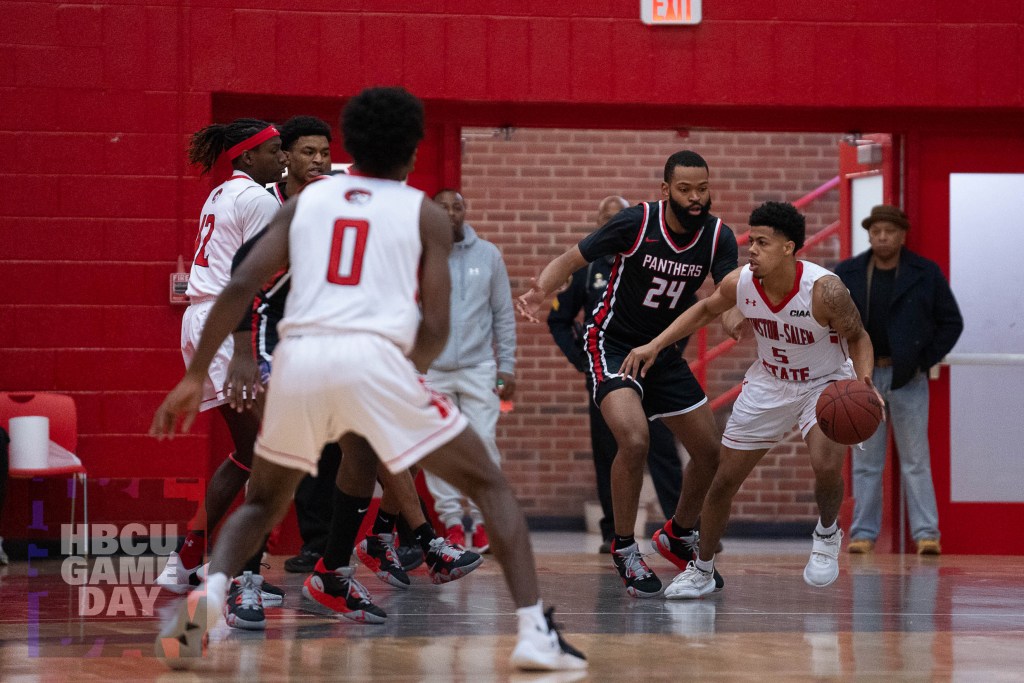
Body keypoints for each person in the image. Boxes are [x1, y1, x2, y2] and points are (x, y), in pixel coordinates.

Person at [150, 86, 586, 672]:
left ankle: (206, 611)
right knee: (490, 486)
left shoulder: (305, 203)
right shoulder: (424, 212)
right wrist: (410, 377)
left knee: (263, 502)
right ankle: (534, 633)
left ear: (347, 147)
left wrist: (196, 372)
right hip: (374, 360)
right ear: (412, 150)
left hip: (302, 361)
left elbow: (238, 285)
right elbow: (435, 324)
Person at [621, 201, 882, 598]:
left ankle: (827, 533)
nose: (752, 249)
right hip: (769, 384)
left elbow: (859, 336)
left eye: (763, 242)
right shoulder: (740, 282)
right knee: (723, 481)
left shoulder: (825, 290)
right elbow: (706, 310)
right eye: (751, 241)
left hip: (824, 384)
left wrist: (864, 381)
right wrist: (654, 345)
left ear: (789, 247)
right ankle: (702, 568)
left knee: (825, 465)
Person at [517, 151, 740, 598]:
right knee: (634, 439)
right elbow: (570, 258)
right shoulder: (636, 222)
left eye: (703, 189)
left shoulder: (718, 236)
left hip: (663, 353)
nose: (696, 199)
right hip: (613, 345)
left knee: (709, 452)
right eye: (685, 190)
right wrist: (540, 290)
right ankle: (623, 545)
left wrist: (740, 321)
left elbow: (728, 294)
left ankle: (677, 532)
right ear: (665, 191)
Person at [155, 118, 285, 616]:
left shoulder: (221, 195)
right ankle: (237, 574)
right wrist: (245, 350)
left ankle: (187, 556)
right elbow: (246, 276)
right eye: (274, 150)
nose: (281, 158)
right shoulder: (258, 199)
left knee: (250, 450)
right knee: (270, 449)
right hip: (227, 322)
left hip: (199, 318)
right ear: (248, 157)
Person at [547, 195, 684, 554]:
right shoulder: (587, 268)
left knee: (663, 450)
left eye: (617, 219)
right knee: (610, 451)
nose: (611, 226)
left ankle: (682, 527)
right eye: (604, 221)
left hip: (651, 370)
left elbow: (686, 313)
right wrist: (581, 360)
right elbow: (559, 319)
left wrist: (667, 357)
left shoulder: (652, 259)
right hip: (606, 372)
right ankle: (614, 532)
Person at [835, 204, 963, 556]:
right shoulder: (849, 272)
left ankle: (927, 535)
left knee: (916, 461)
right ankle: (862, 535)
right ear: (869, 235)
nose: (881, 237)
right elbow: (829, 319)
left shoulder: (925, 272)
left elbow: (951, 322)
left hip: (908, 377)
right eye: (875, 231)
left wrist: (922, 360)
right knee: (866, 462)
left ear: (902, 234)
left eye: (888, 231)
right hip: (865, 376)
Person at [422, 189, 517, 553]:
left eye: (457, 206)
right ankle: (451, 523)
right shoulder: (422, 253)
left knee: (483, 444)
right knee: (438, 446)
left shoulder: (489, 255)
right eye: (442, 207)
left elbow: (503, 315)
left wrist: (506, 366)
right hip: (433, 370)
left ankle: (481, 523)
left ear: (465, 211)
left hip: (480, 367)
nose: (451, 213)